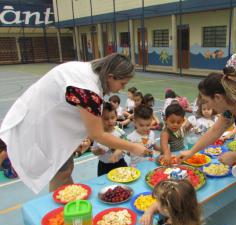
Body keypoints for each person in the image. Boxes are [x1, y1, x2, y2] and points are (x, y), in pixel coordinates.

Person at [0, 53, 149, 193]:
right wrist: (133, 147)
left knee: (65, 169)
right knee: (62, 173)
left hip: (53, 122)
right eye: (122, 83)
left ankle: (66, 203)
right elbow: (98, 134)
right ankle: (62, 210)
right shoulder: (88, 90)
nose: (122, 89)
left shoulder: (86, 71)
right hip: (41, 126)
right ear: (110, 77)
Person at [91, 102, 127, 176]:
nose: (110, 121)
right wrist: (98, 151)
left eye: (112, 117)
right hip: (104, 165)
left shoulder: (120, 132)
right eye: (106, 119)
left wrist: (116, 153)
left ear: (116, 117)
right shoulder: (98, 134)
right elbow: (94, 151)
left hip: (119, 163)